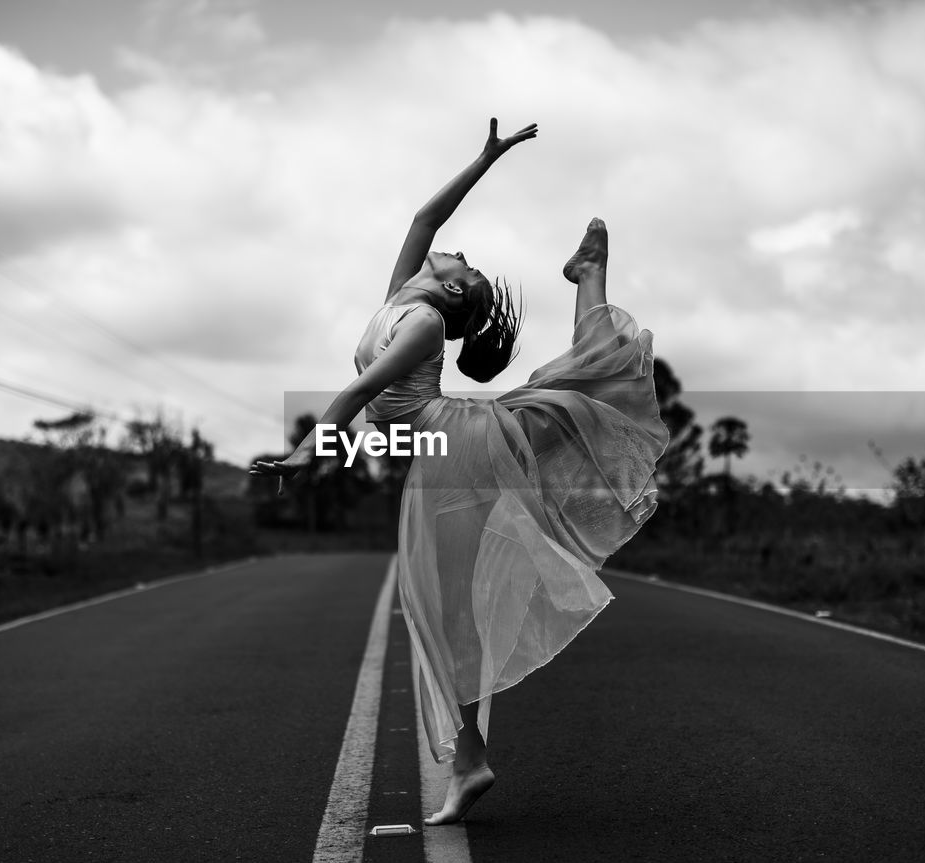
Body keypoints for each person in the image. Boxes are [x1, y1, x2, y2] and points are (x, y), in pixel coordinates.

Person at [251, 119, 668, 825]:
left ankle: (591, 276)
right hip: (441, 453)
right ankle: (469, 761)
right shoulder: (401, 296)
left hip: (456, 445)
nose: (459, 253)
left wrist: (304, 453)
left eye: (464, 266)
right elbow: (426, 215)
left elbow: (357, 395)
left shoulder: (420, 323)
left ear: (448, 293)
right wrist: (485, 159)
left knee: (575, 405)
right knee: (441, 612)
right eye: (465, 258)